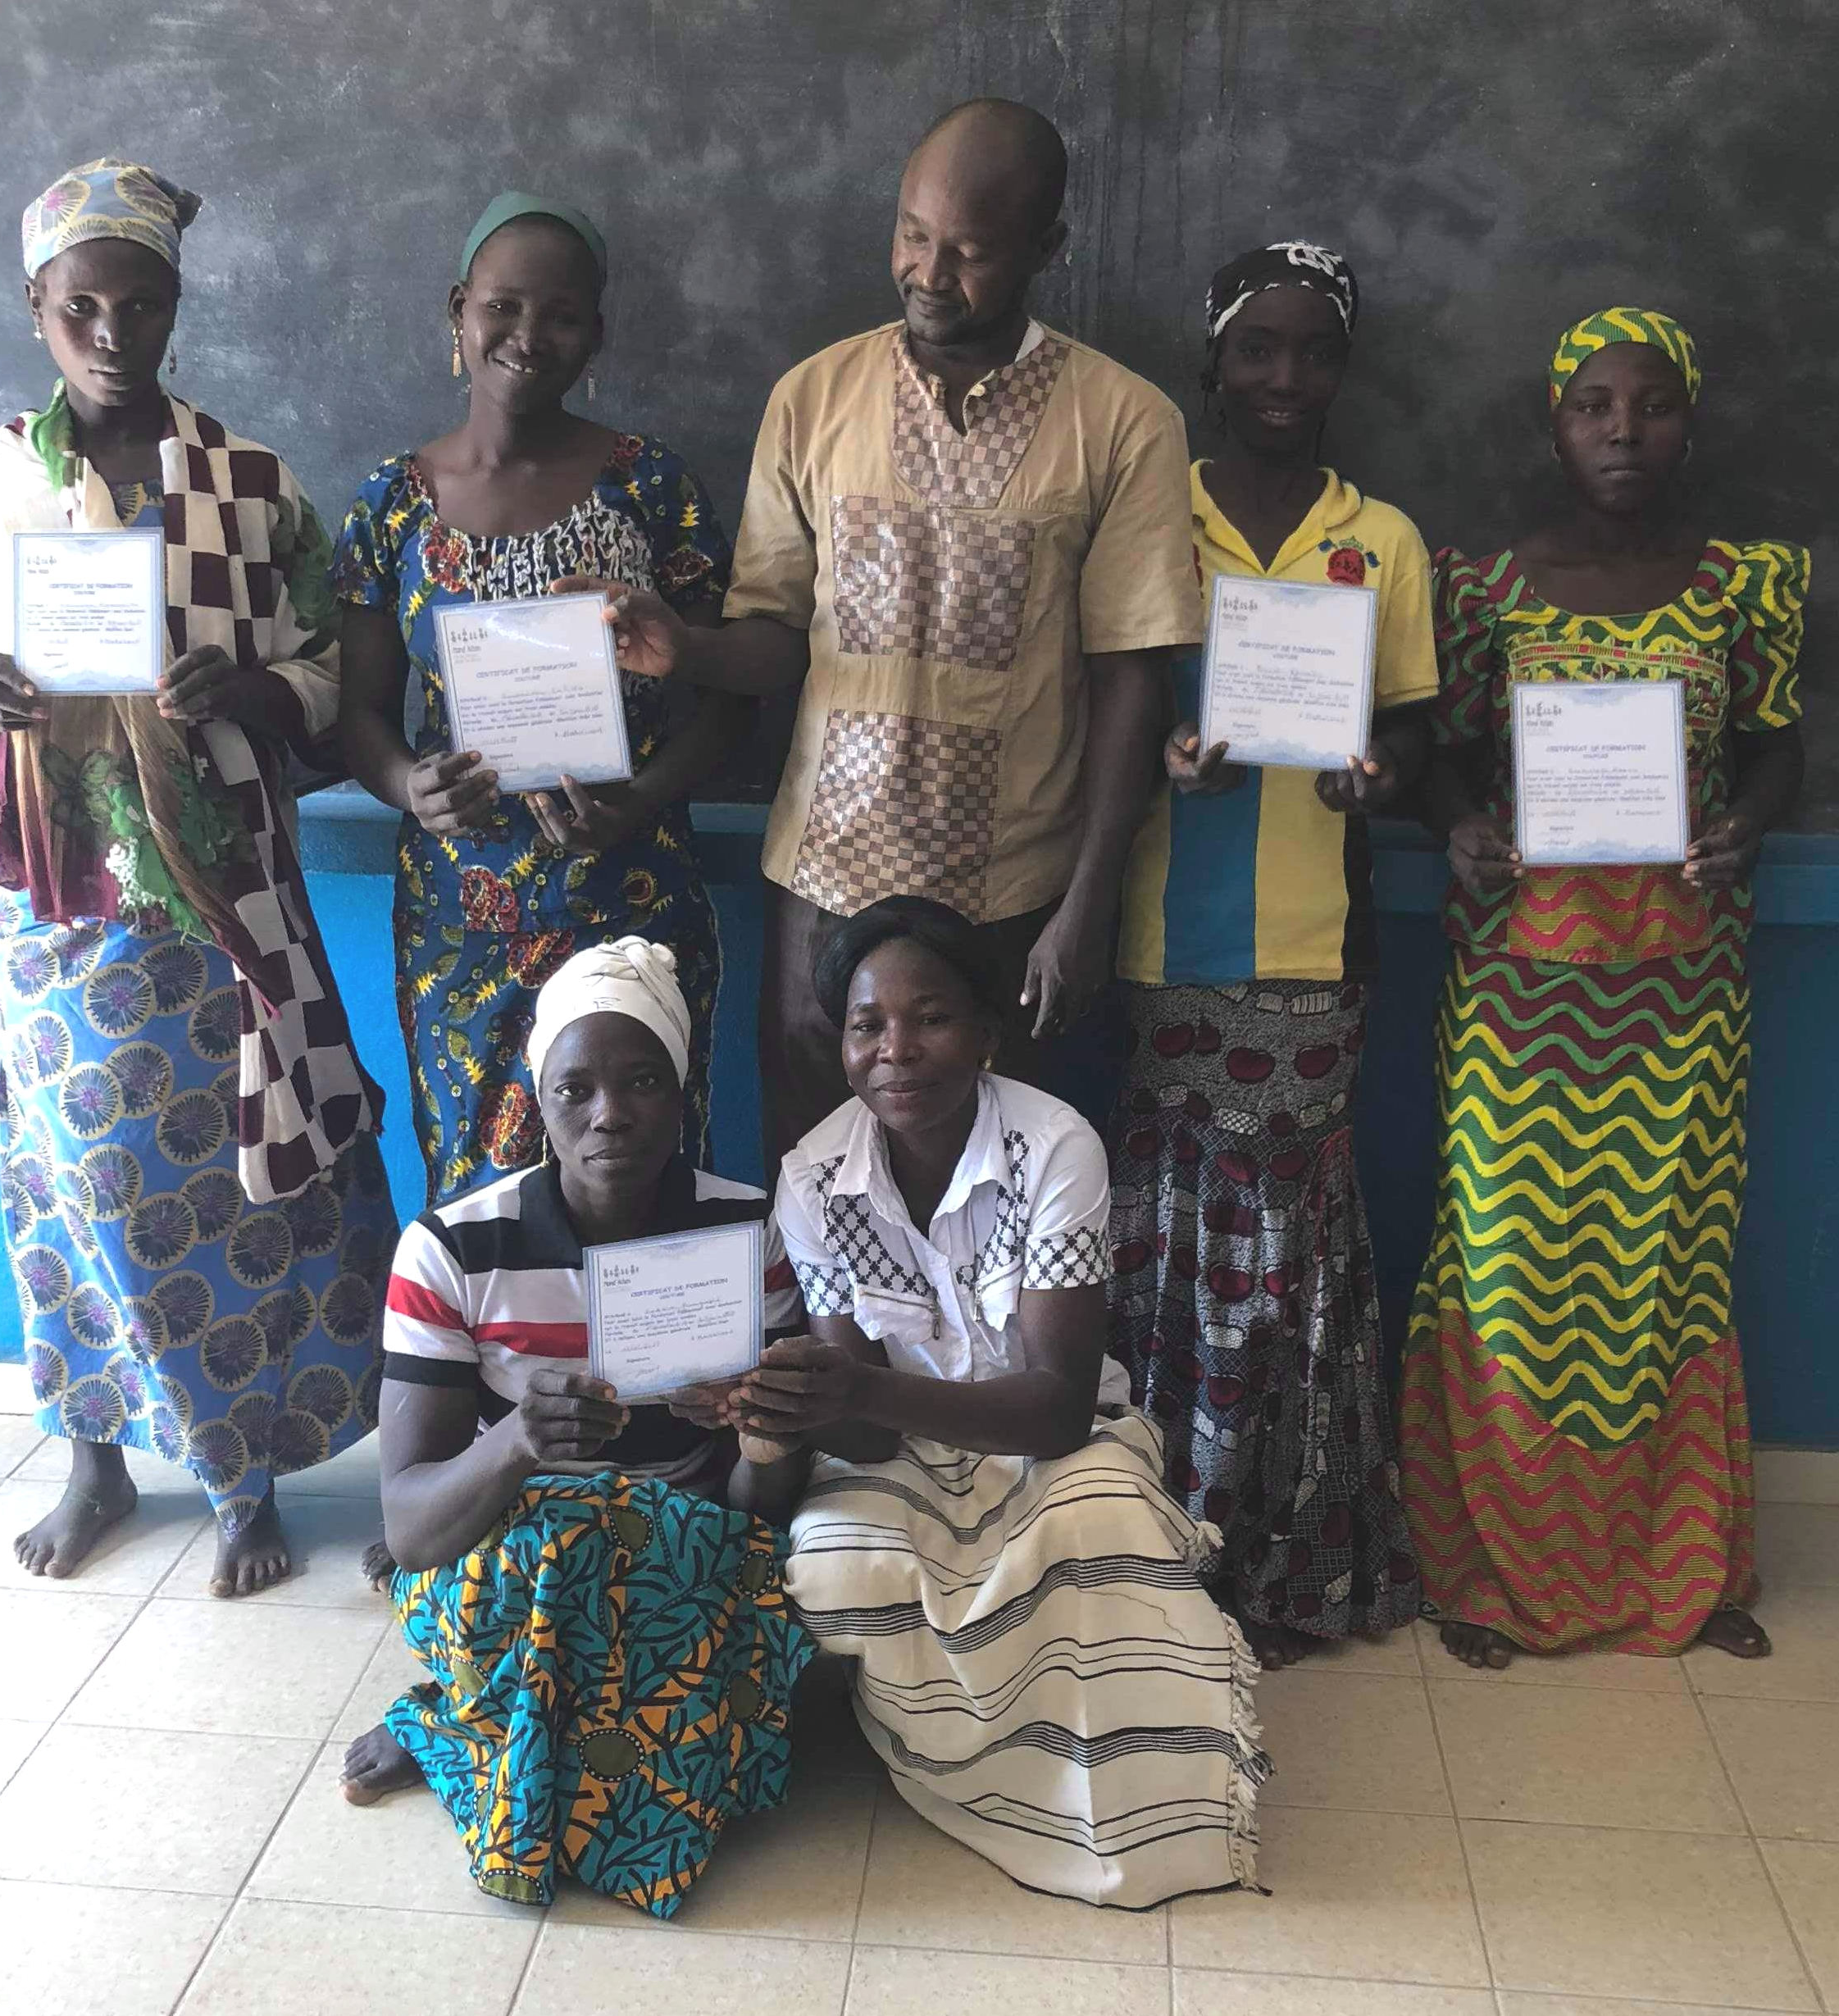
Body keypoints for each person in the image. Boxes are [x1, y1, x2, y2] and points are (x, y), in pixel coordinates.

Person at [0, 159, 397, 1595]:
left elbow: (331, 663)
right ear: (37, 309)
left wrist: (254, 688)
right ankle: (97, 1458)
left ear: (177, 304)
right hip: (55, 902)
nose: (113, 334)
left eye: (141, 305)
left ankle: (243, 1468)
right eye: (82, 309)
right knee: (71, 1182)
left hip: (222, 900)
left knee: (247, 1178)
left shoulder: (251, 483)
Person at [562, 100, 1204, 1166]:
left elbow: (1131, 679)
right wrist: (691, 647)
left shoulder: (1124, 421)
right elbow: (774, 633)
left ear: (1045, 247)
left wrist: (1087, 907)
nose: (928, 272)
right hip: (824, 889)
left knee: (1001, 1200)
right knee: (817, 1186)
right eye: (912, 234)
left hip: (1013, 899)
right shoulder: (814, 399)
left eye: (969, 252)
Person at [712, 897, 1267, 1908]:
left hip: (1056, 1436)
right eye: (866, 1024)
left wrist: (860, 1386)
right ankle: (952, 1762)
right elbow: (866, 1433)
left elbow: (1056, 1409)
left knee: (1100, 1524)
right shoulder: (813, 1176)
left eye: (929, 1017)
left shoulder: (1051, 1145)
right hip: (901, 1447)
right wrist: (784, 1399)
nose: (895, 1049)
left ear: (984, 1034)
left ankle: (1110, 1796)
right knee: (833, 1564)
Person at [1400, 307, 1807, 1667]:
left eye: (1652, 404)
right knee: (1511, 1269)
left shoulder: (1744, 584)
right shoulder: (1485, 591)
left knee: (1662, 1269)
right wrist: (1458, 823)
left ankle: (1679, 1563)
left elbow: (1774, 744)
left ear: (1689, 421)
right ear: (1555, 424)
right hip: (1519, 990)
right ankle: (1485, 1570)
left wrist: (1748, 822)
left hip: (1681, 992)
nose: (1623, 430)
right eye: (1593, 405)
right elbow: (1440, 752)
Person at [334, 939, 814, 1915]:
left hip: (684, 1540)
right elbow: (413, 1530)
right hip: (510, 1551)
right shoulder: (450, 1248)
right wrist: (517, 1440)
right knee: (575, 1584)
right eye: (574, 1087)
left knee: (675, 1604)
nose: (609, 1113)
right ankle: (475, 1721)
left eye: (643, 1080)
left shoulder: (745, 1232)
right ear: (538, 1098)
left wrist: (761, 1431)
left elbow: (759, 1509)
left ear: (680, 1090)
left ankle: (474, 1727)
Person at [1106, 243, 1435, 1668]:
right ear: (1214, 362)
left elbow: (1410, 720)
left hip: (1316, 952)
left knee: (1288, 1263)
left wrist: (1381, 773)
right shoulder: (1147, 512)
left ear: (1341, 369)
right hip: (1162, 939)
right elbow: (1099, 703)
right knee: (1175, 1249)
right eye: (1257, 348)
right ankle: (1162, 1542)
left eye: (1312, 350)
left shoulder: (1383, 539)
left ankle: (1288, 1554)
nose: (1283, 376)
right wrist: (1168, 756)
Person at [331, 193, 744, 1205]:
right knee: (480, 1194)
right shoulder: (391, 504)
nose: (527, 335)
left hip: (631, 896)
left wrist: (640, 799)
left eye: (560, 316)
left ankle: (644, 1328)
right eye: (503, 307)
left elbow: (728, 701)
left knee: (635, 1185)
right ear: (458, 311)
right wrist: (408, 784)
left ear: (594, 334)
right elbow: (357, 712)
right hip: (459, 916)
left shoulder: (652, 488)